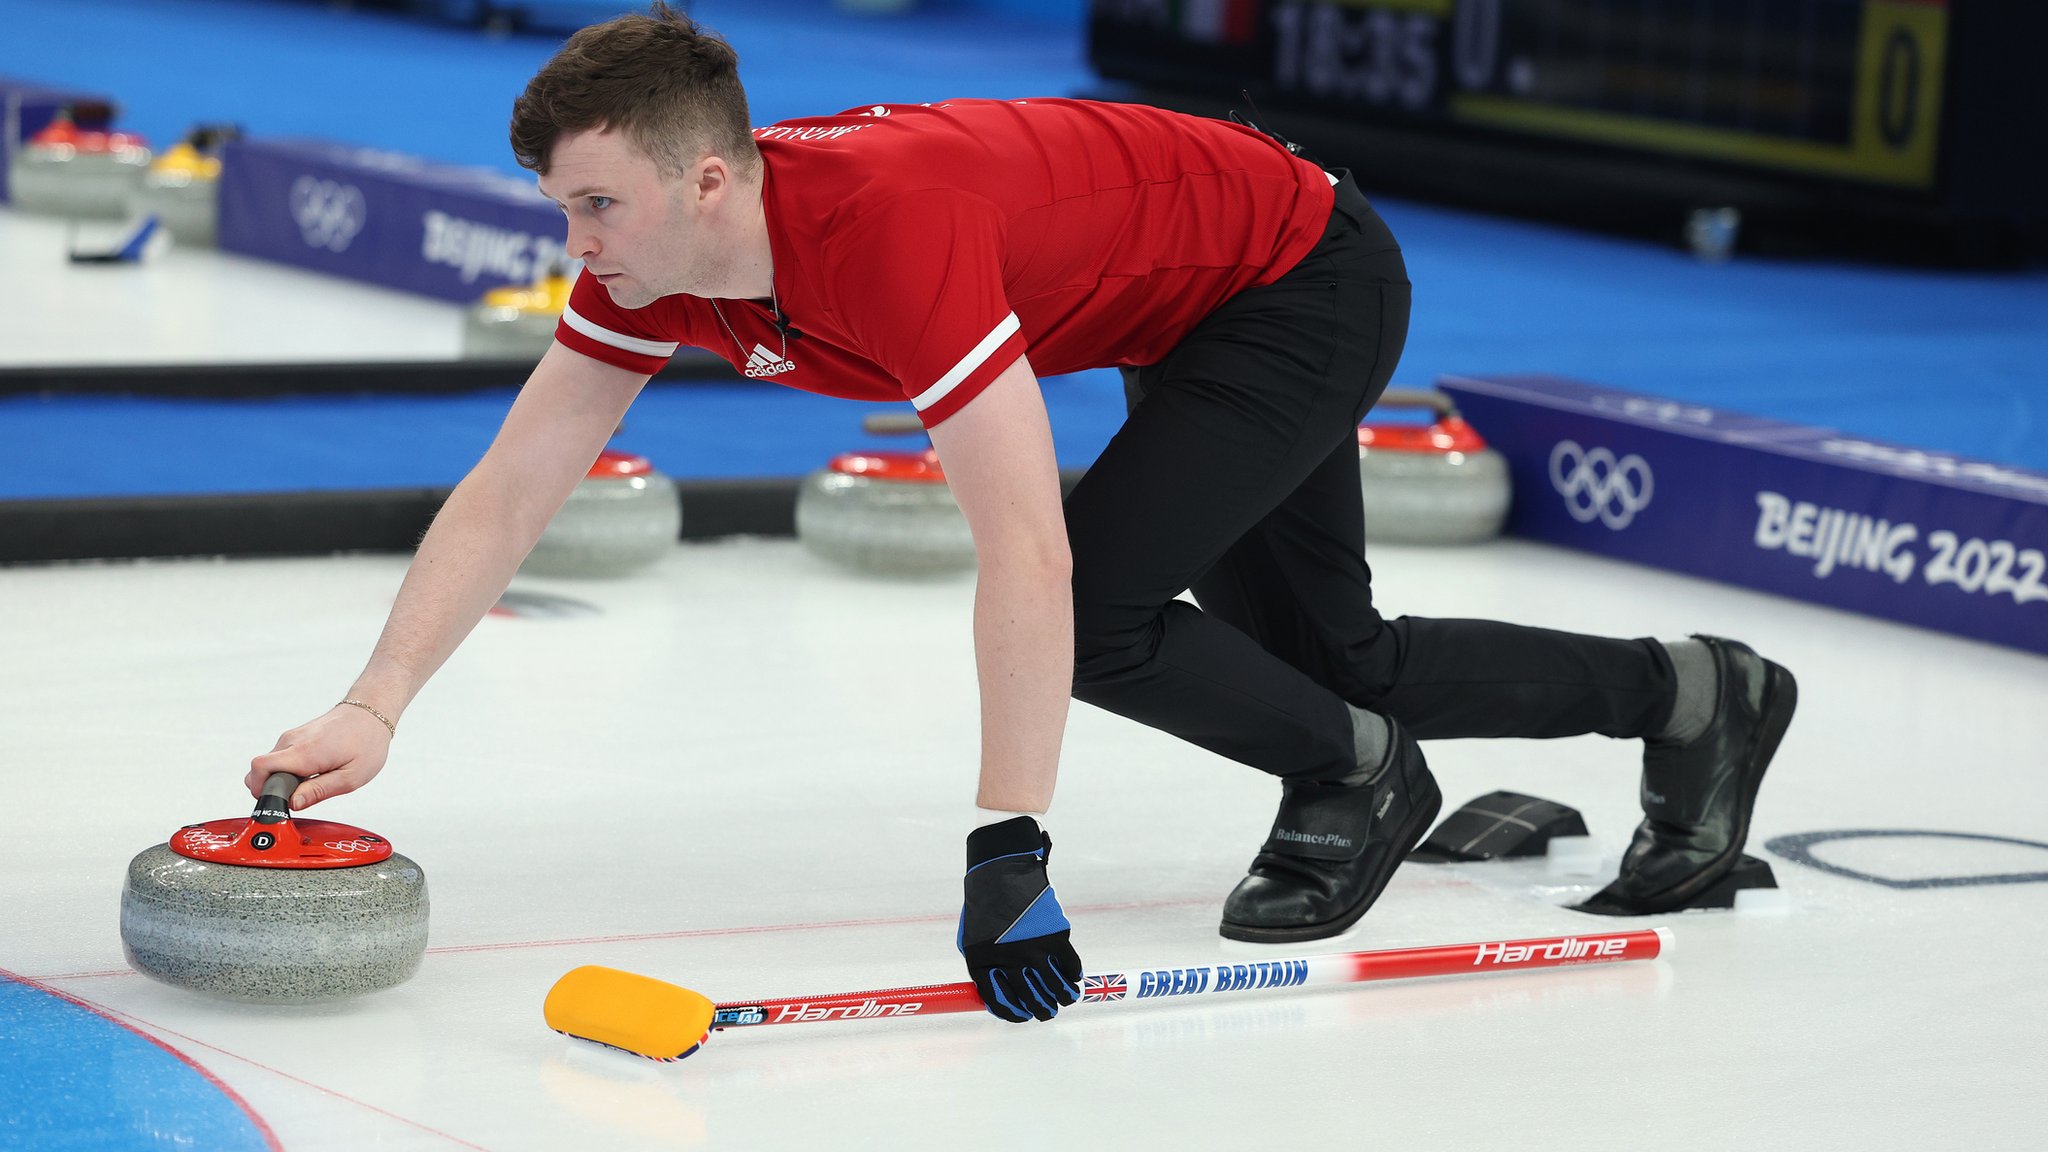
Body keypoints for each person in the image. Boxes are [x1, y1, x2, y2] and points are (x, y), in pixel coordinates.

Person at [248, 5, 1797, 1024]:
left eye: (594, 204)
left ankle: (1365, 779)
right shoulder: (652, 274)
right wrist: (374, 700)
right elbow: (516, 484)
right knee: (1342, 652)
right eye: (560, 207)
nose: (571, 240)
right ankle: (1691, 693)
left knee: (1109, 614)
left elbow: (1031, 554)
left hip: (1298, 281)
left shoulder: (888, 237)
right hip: (1193, 298)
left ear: (709, 181)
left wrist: (1010, 840)